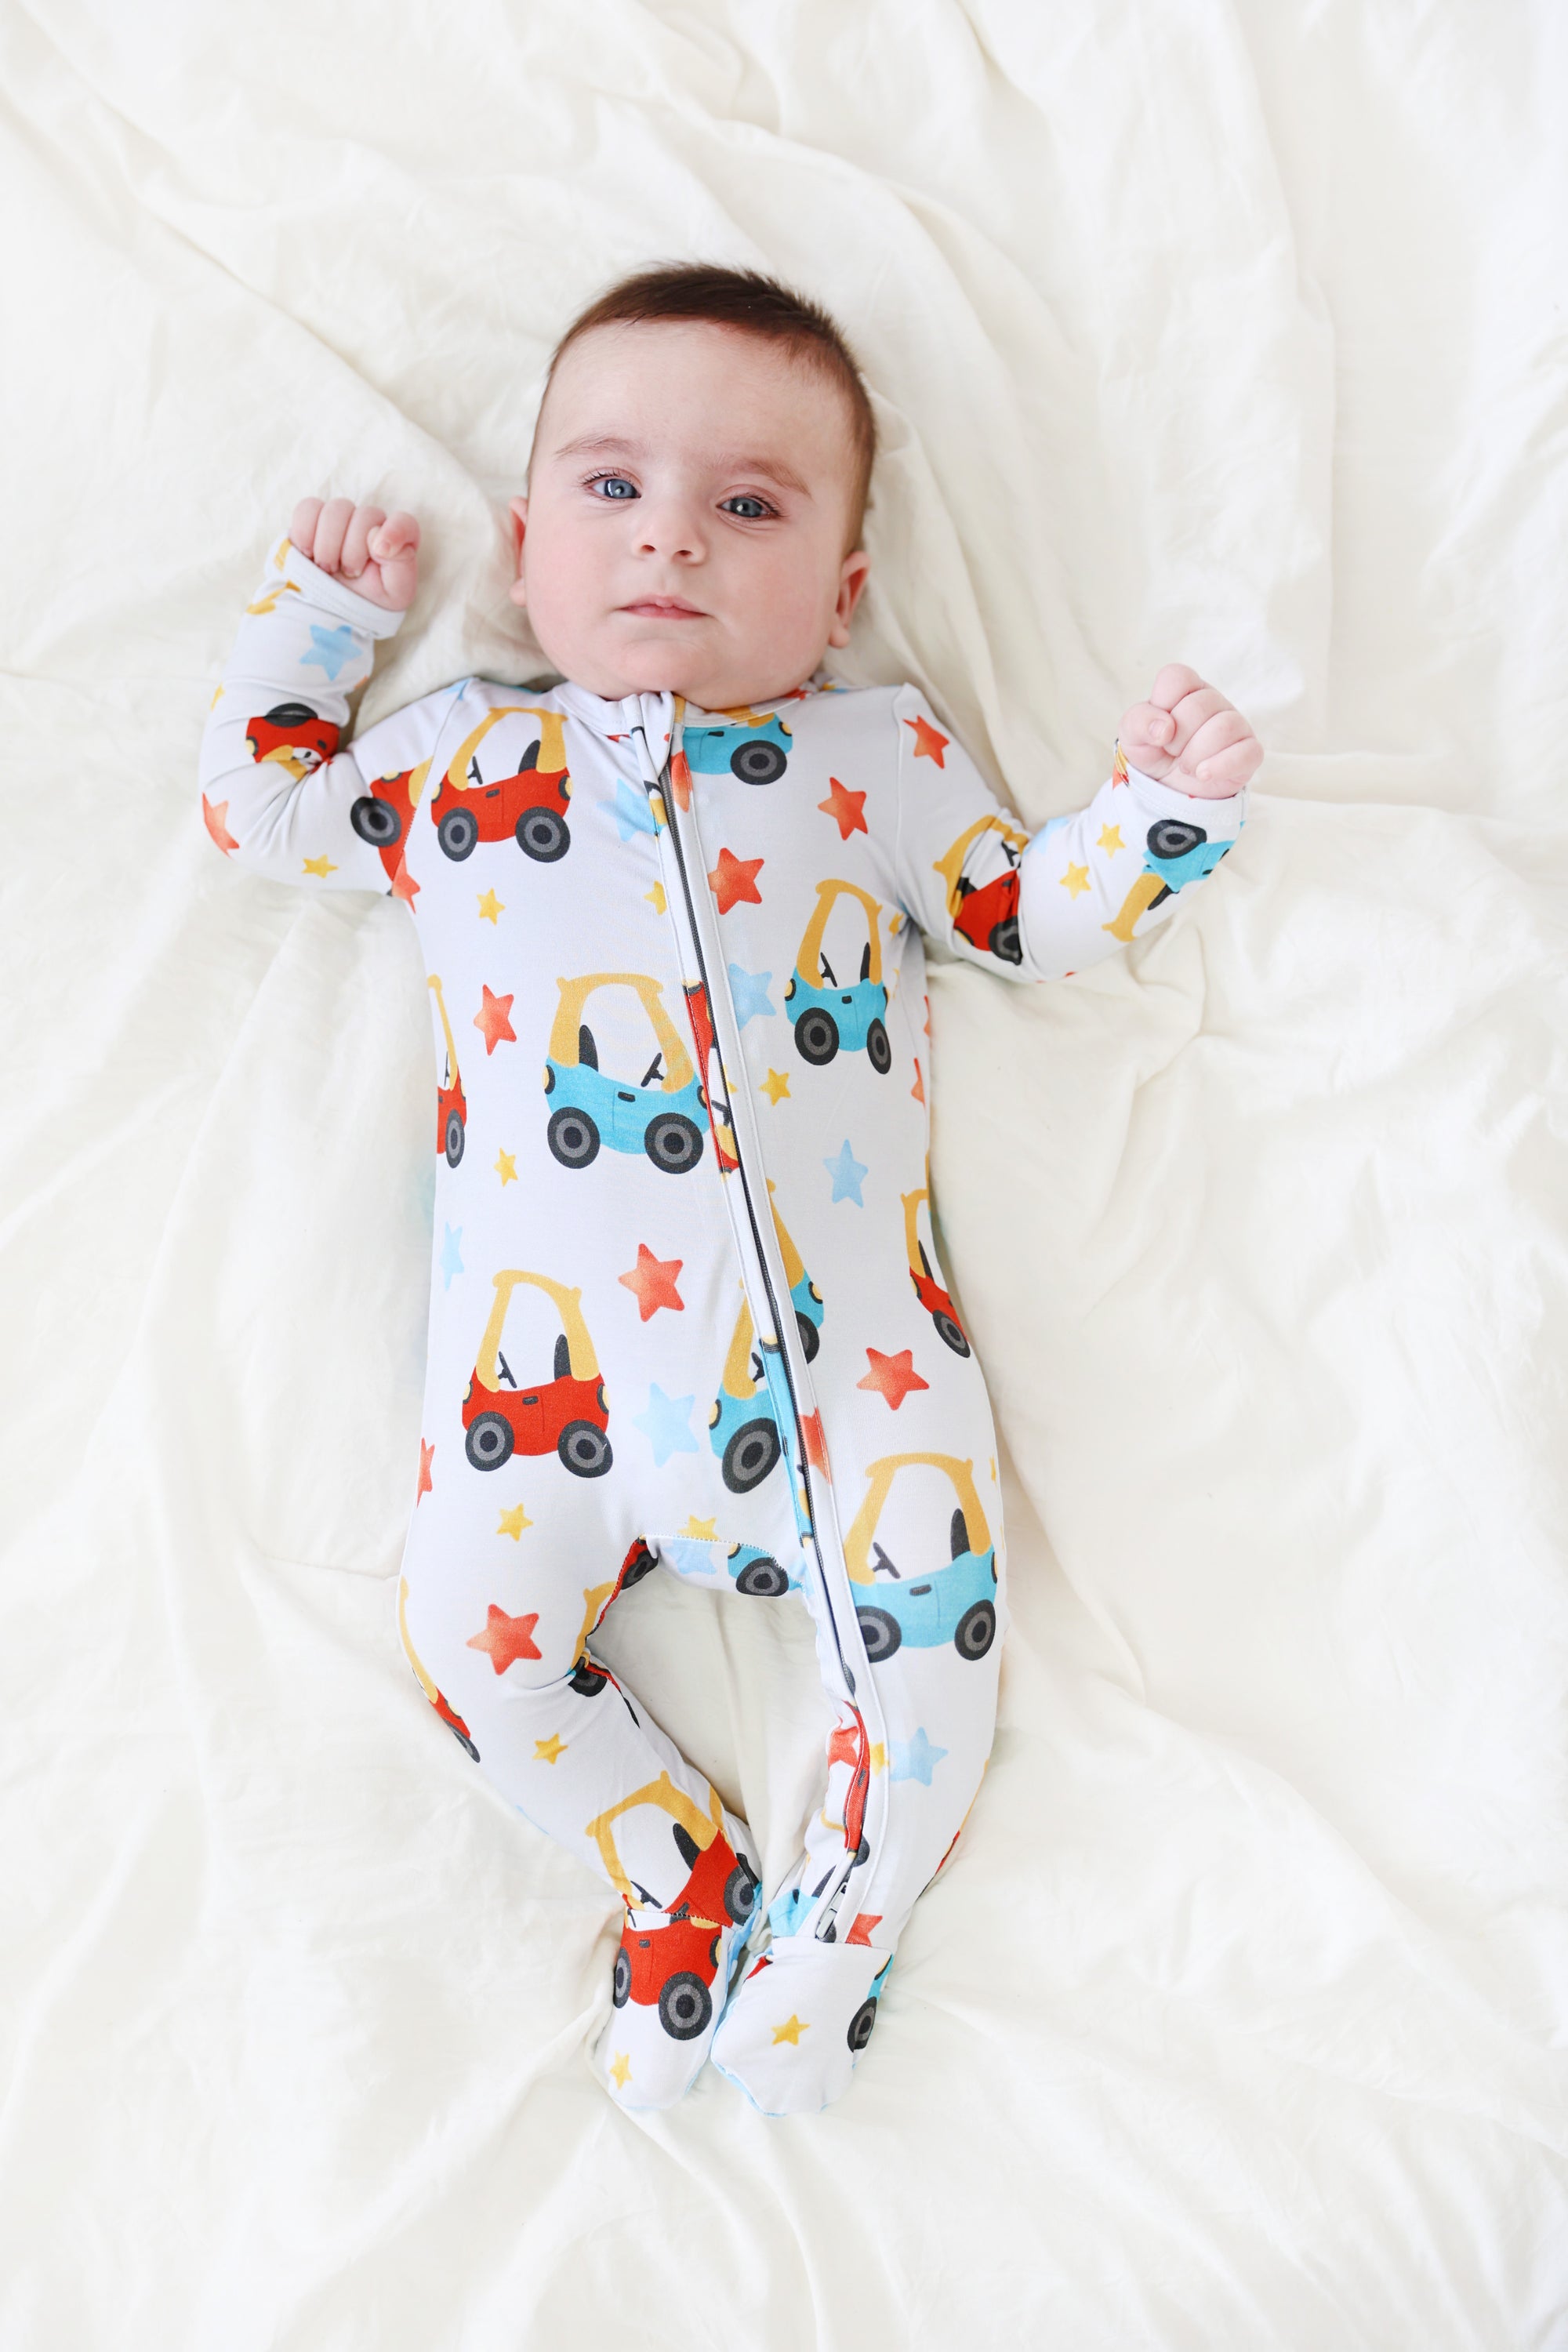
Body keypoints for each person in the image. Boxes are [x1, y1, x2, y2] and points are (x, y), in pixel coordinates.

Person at [198, 264, 1261, 2117]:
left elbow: (1024, 915)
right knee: (470, 1650)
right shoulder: (462, 768)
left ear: (841, 589)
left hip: (850, 1378)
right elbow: (263, 809)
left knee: (929, 1669)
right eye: (609, 490)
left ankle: (834, 1946)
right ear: (525, 543)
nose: (668, 540)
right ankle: (671, 1875)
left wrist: (1155, 822)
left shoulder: (881, 761)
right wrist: (318, 628)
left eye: (746, 507)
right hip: (553, 1399)